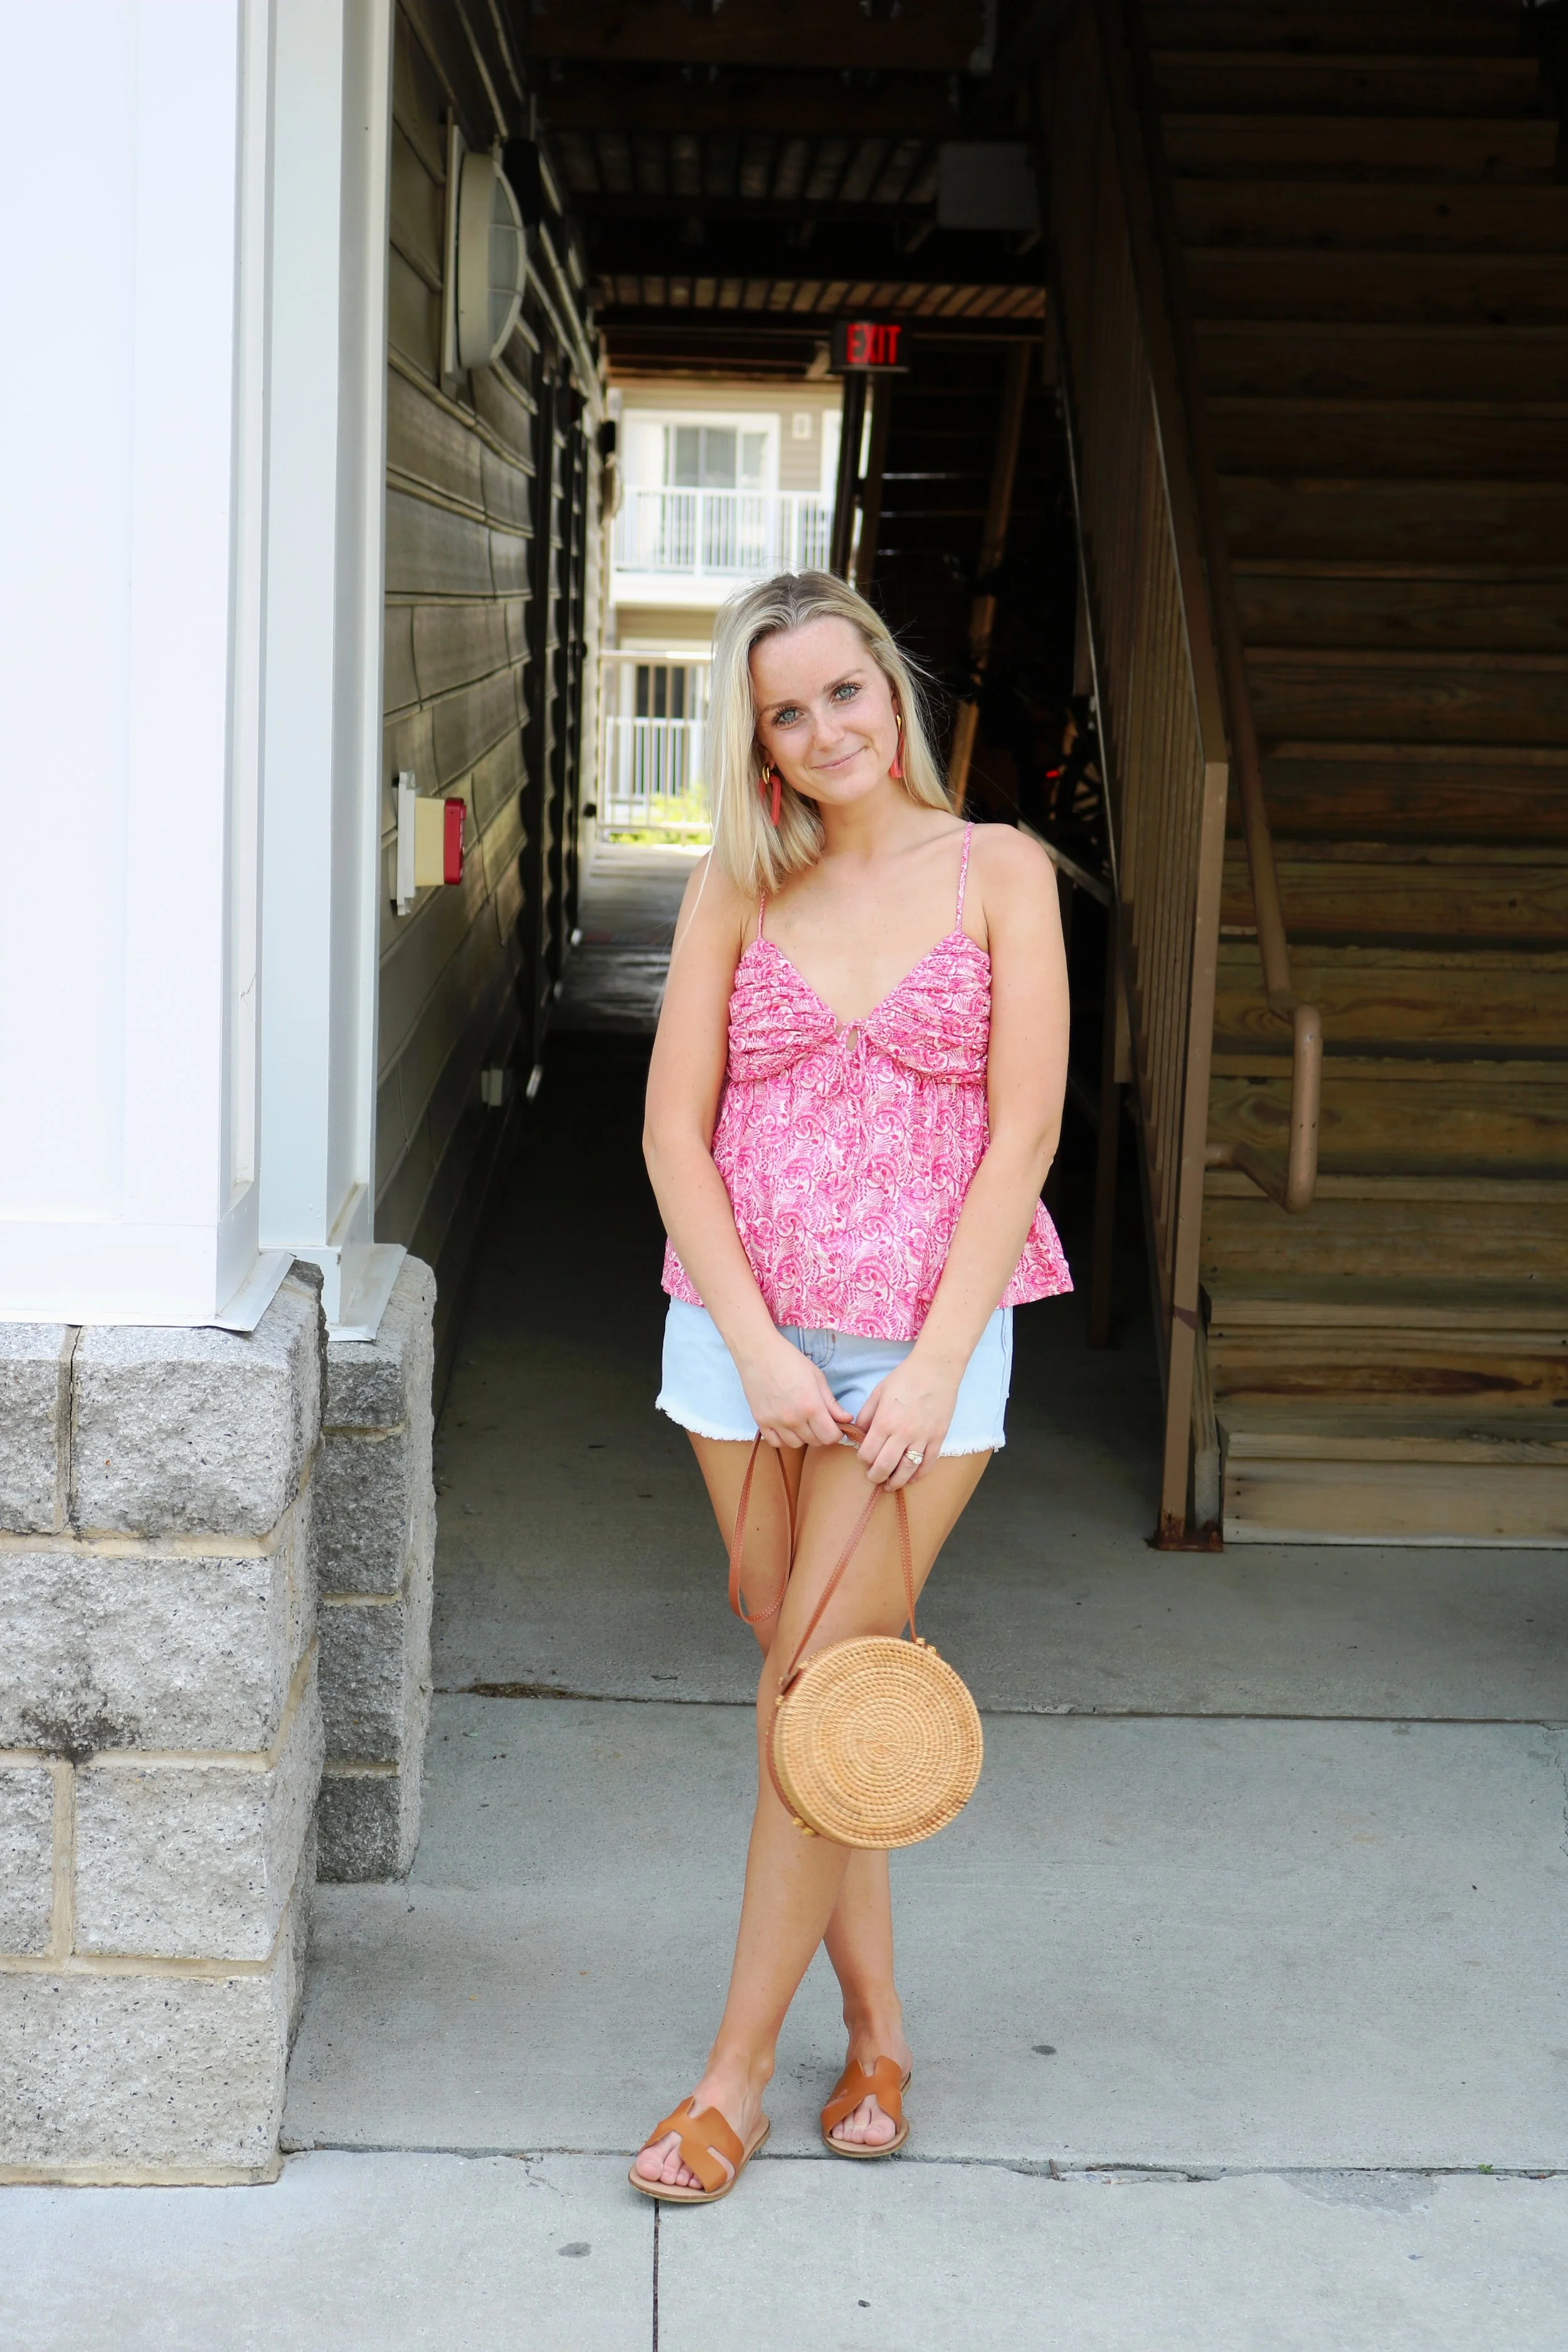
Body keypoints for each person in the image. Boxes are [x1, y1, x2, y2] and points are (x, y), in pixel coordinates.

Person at [633, 571, 1071, 2203]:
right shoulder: (735, 890)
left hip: (915, 1355)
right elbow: (675, 1131)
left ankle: (729, 2080)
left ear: (889, 690)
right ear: (754, 739)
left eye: (844, 692)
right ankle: (877, 2025)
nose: (824, 731)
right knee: (818, 1686)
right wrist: (754, 1345)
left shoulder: (999, 874)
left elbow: (1020, 1133)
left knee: (809, 1694)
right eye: (783, 711)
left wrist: (937, 1360)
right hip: (739, 1344)